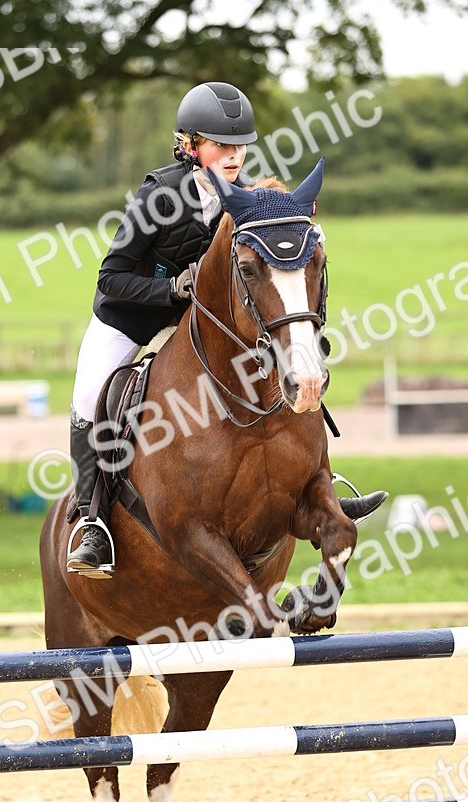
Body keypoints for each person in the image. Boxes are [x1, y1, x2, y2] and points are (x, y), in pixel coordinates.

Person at [67, 81, 385, 579]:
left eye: (240, 146)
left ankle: (317, 485)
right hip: (132, 316)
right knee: (90, 397)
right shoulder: (160, 195)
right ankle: (93, 521)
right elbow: (111, 277)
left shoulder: (244, 199)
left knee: (282, 365)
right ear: (191, 146)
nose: (234, 155)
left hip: (198, 323)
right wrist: (173, 288)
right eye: (221, 145)